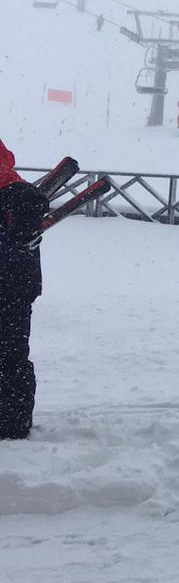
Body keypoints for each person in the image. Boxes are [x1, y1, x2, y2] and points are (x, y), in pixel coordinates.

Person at [0, 143, 48, 439]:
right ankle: (13, 421)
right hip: (19, 286)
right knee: (12, 353)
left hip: (11, 286)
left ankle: (12, 425)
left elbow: (31, 207)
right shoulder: (15, 185)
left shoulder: (13, 190)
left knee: (9, 354)